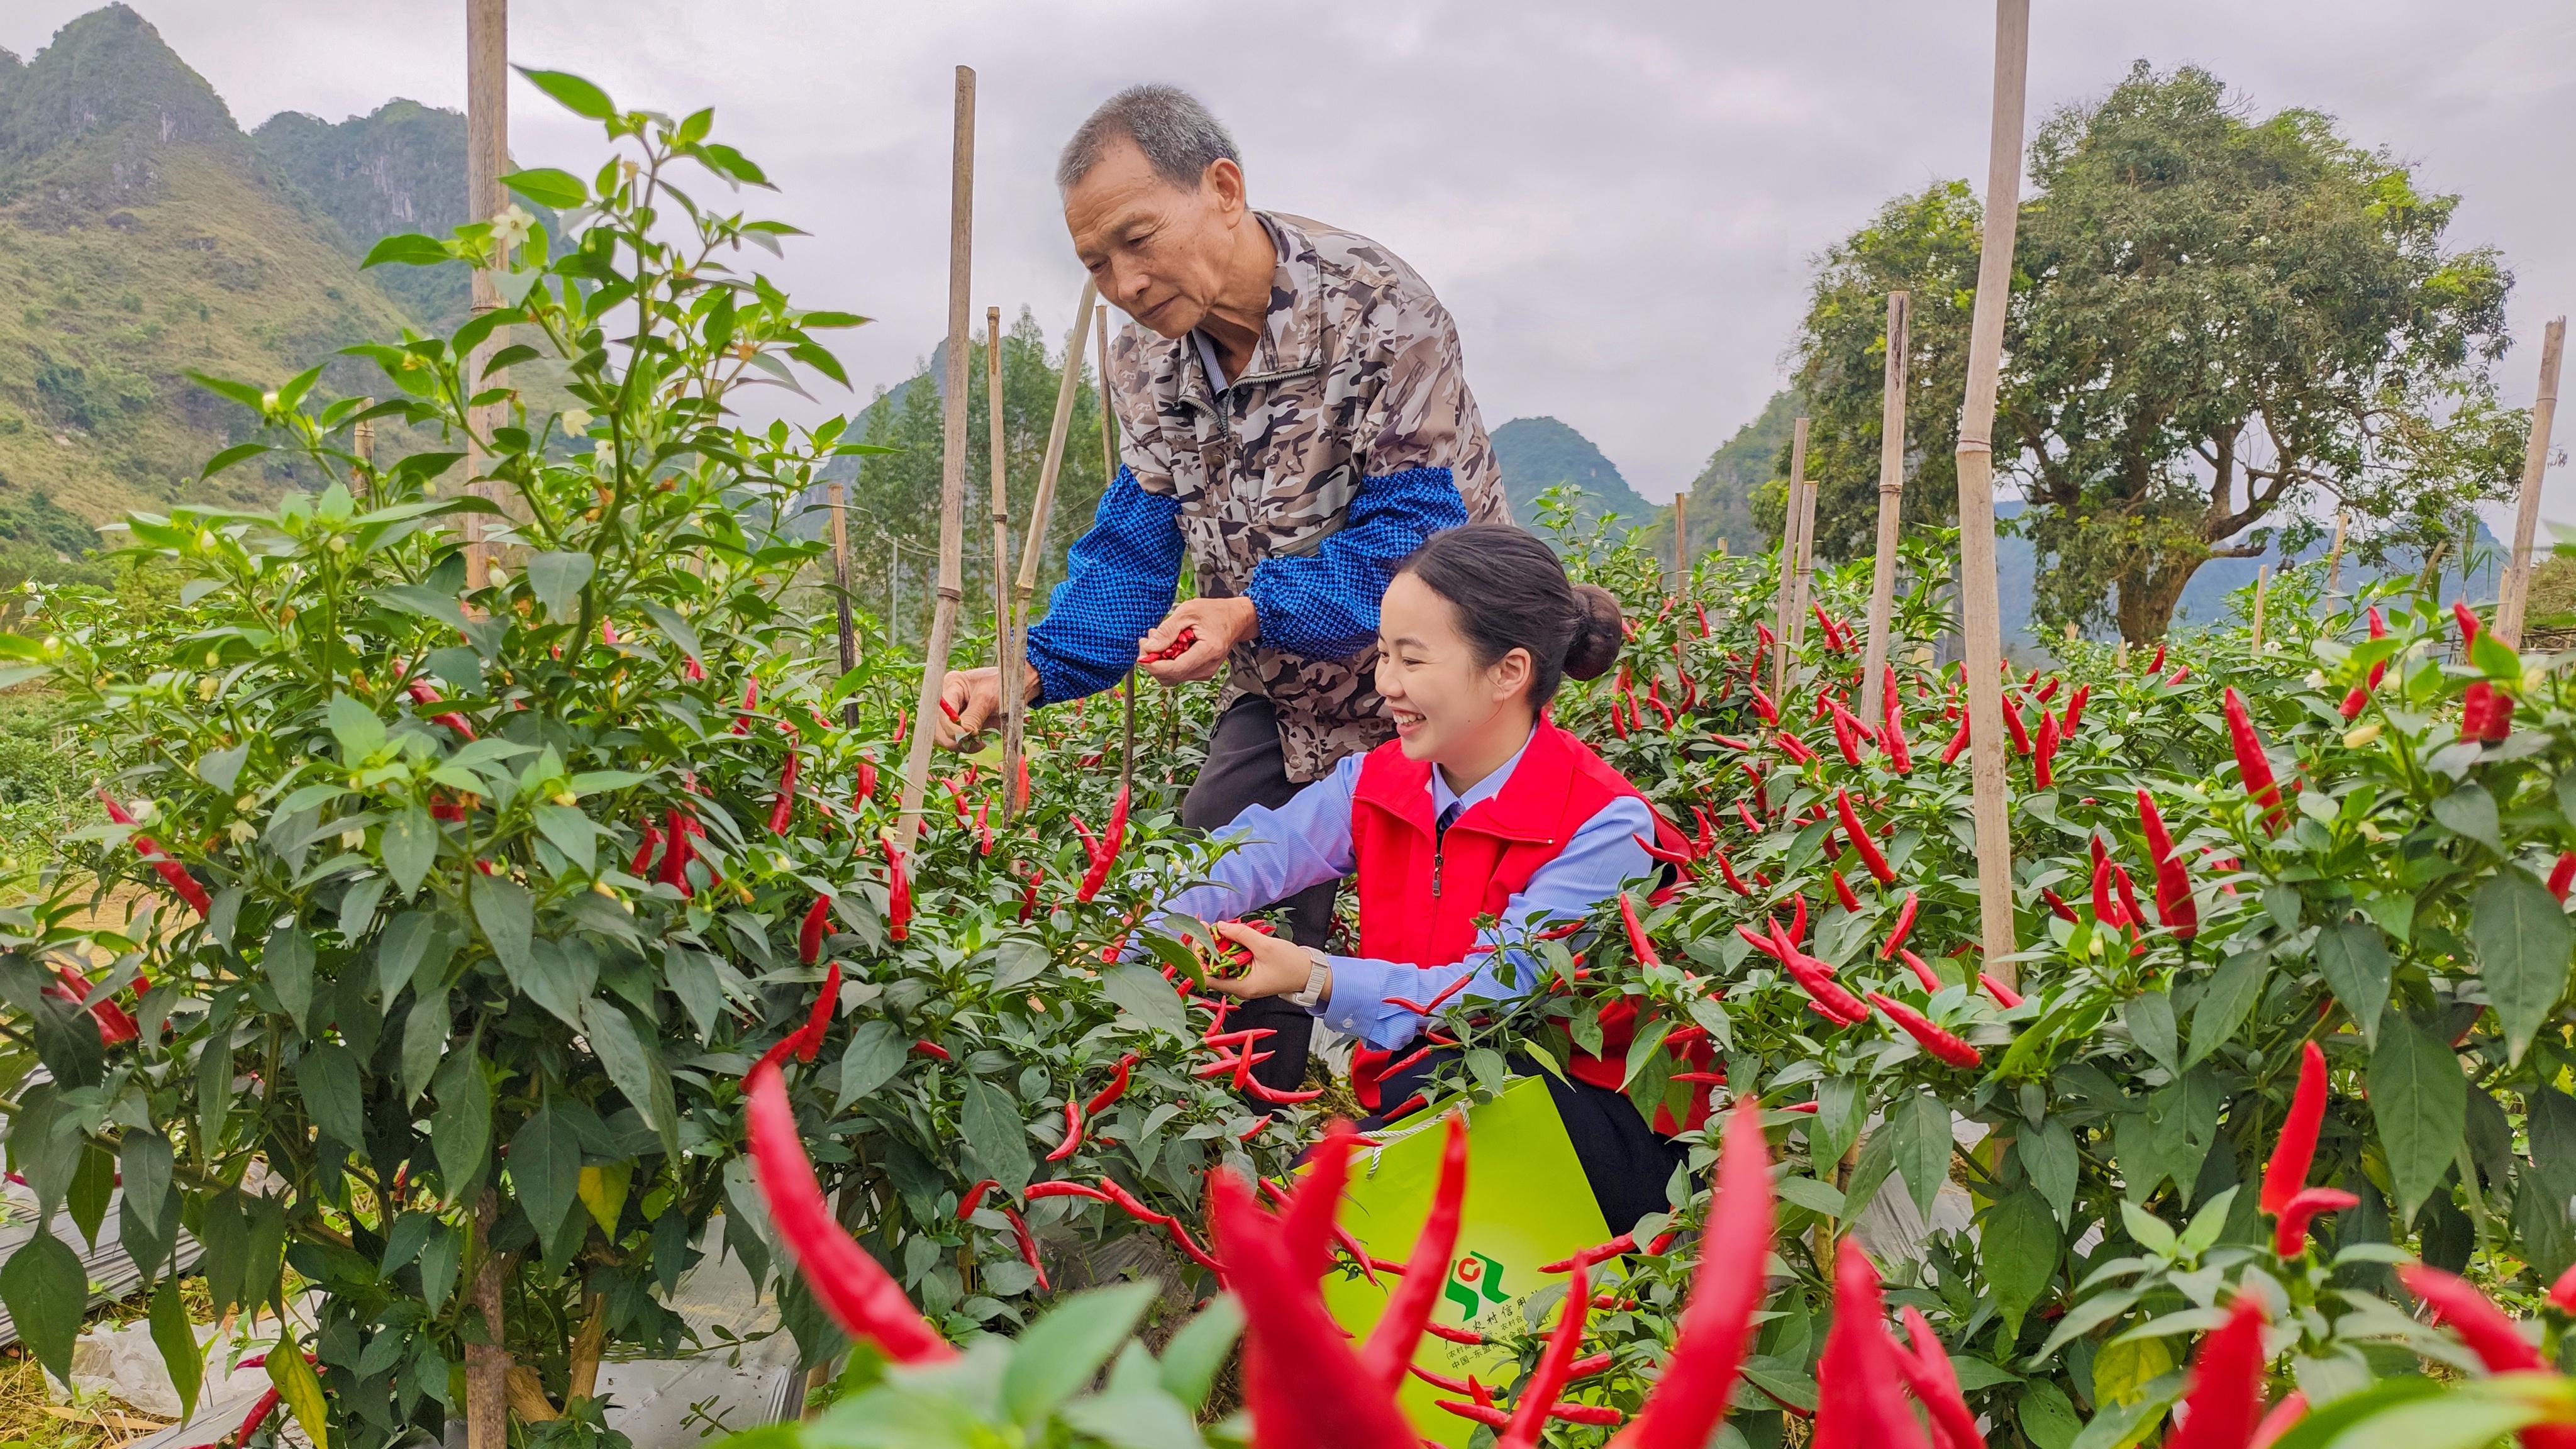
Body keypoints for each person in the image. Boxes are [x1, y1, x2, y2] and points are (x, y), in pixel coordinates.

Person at [936, 84, 1509, 1094]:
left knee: (1436, 963)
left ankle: (1424, 1163)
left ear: (1224, 189)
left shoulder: (1380, 311)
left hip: (1435, 697)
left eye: (1138, 238)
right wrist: (1030, 668)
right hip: (1285, 693)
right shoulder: (1147, 359)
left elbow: (1421, 545)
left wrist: (1251, 609)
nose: (1122, 280)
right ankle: (1243, 1145)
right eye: (1095, 263)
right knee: (1208, 908)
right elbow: (1134, 536)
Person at [1150, 523, 1697, 1232]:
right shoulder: (1378, 783)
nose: (1386, 686)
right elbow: (1246, 858)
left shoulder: (1603, 826)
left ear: (1508, 672)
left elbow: (1492, 997)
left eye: (1412, 660)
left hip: (1590, 1125)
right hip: (1429, 1095)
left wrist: (1311, 975)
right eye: (1382, 655)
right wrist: (1115, 939)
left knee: (1342, 1218)